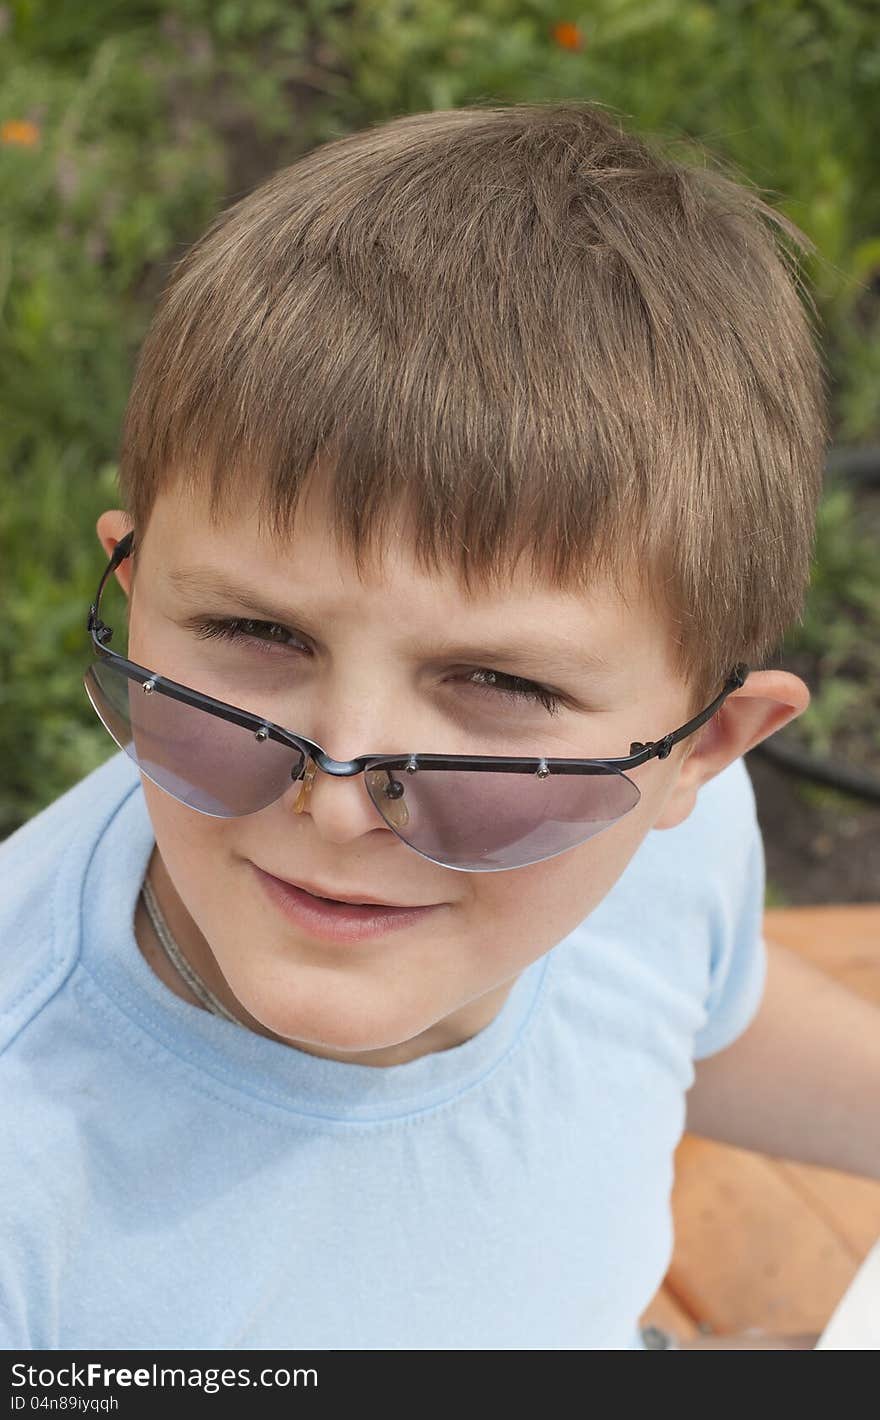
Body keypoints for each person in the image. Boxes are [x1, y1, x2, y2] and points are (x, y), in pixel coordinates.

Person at [0, 99, 828, 1350]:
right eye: (259, 636)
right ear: (136, 586)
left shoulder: (666, 852)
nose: (333, 801)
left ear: (700, 750)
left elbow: (690, 1018)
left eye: (497, 689)